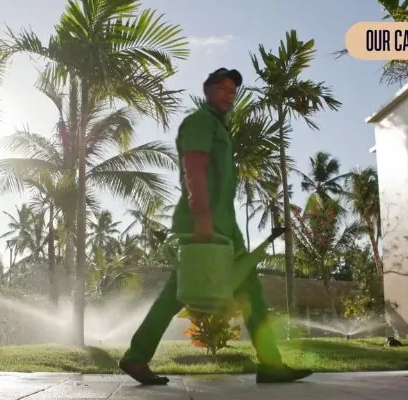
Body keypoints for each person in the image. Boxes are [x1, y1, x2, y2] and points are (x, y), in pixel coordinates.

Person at [118, 68, 313, 385]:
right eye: (222, 87)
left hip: (223, 225)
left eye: (233, 89)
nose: (229, 93)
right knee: (213, 292)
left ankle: (137, 358)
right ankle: (270, 364)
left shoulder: (219, 128)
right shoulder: (200, 122)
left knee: (188, 293)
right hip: (206, 222)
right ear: (207, 89)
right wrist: (202, 216)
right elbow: (193, 167)